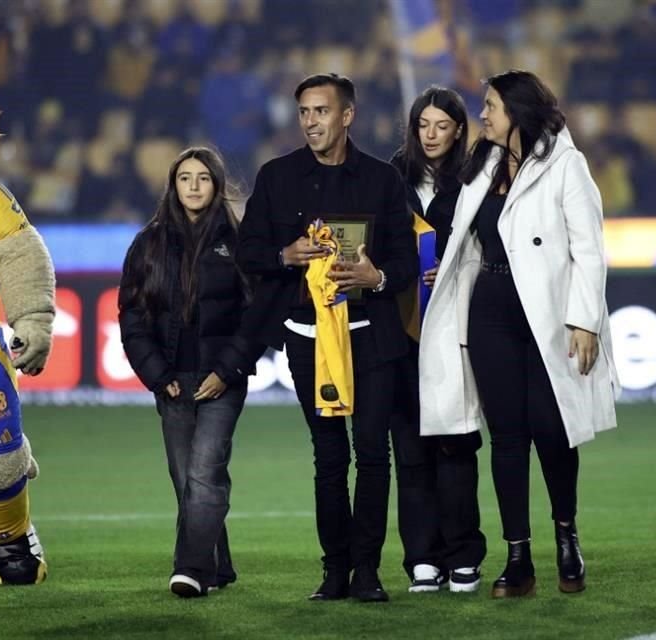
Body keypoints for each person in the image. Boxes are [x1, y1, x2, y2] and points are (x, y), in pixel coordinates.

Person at [419, 70, 619, 597]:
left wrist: (584, 320)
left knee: (552, 433)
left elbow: (589, 250)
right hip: (489, 310)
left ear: (518, 111)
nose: (481, 115)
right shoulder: (480, 165)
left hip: (548, 316)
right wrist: (450, 270)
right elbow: (469, 240)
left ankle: (566, 536)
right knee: (506, 439)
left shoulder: (565, 164)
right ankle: (518, 558)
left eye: (490, 106)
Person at [237, 73, 418, 602]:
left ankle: (367, 570)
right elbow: (248, 250)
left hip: (371, 336)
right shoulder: (276, 176)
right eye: (304, 113)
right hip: (307, 338)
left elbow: (406, 261)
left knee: (372, 453)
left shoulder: (384, 181)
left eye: (320, 111)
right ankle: (334, 569)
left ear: (347, 116)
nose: (311, 121)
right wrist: (283, 255)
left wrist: (375, 277)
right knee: (329, 456)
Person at [118, 147, 260, 598]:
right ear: (173, 186)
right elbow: (132, 318)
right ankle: (218, 565)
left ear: (217, 185)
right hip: (173, 380)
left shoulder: (241, 242)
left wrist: (227, 370)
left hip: (223, 380)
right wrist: (159, 376)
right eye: (185, 178)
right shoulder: (149, 242)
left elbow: (253, 317)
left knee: (204, 472)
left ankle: (192, 570)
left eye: (203, 178)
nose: (194, 186)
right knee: (187, 480)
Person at [389, 86, 486, 593]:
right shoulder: (390, 178)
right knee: (410, 447)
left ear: (457, 130)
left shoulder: (475, 179)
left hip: (453, 330)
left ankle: (464, 553)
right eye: (423, 125)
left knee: (456, 442)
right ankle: (421, 558)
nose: (430, 135)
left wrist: (453, 275)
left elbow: (485, 249)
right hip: (401, 331)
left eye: (441, 126)